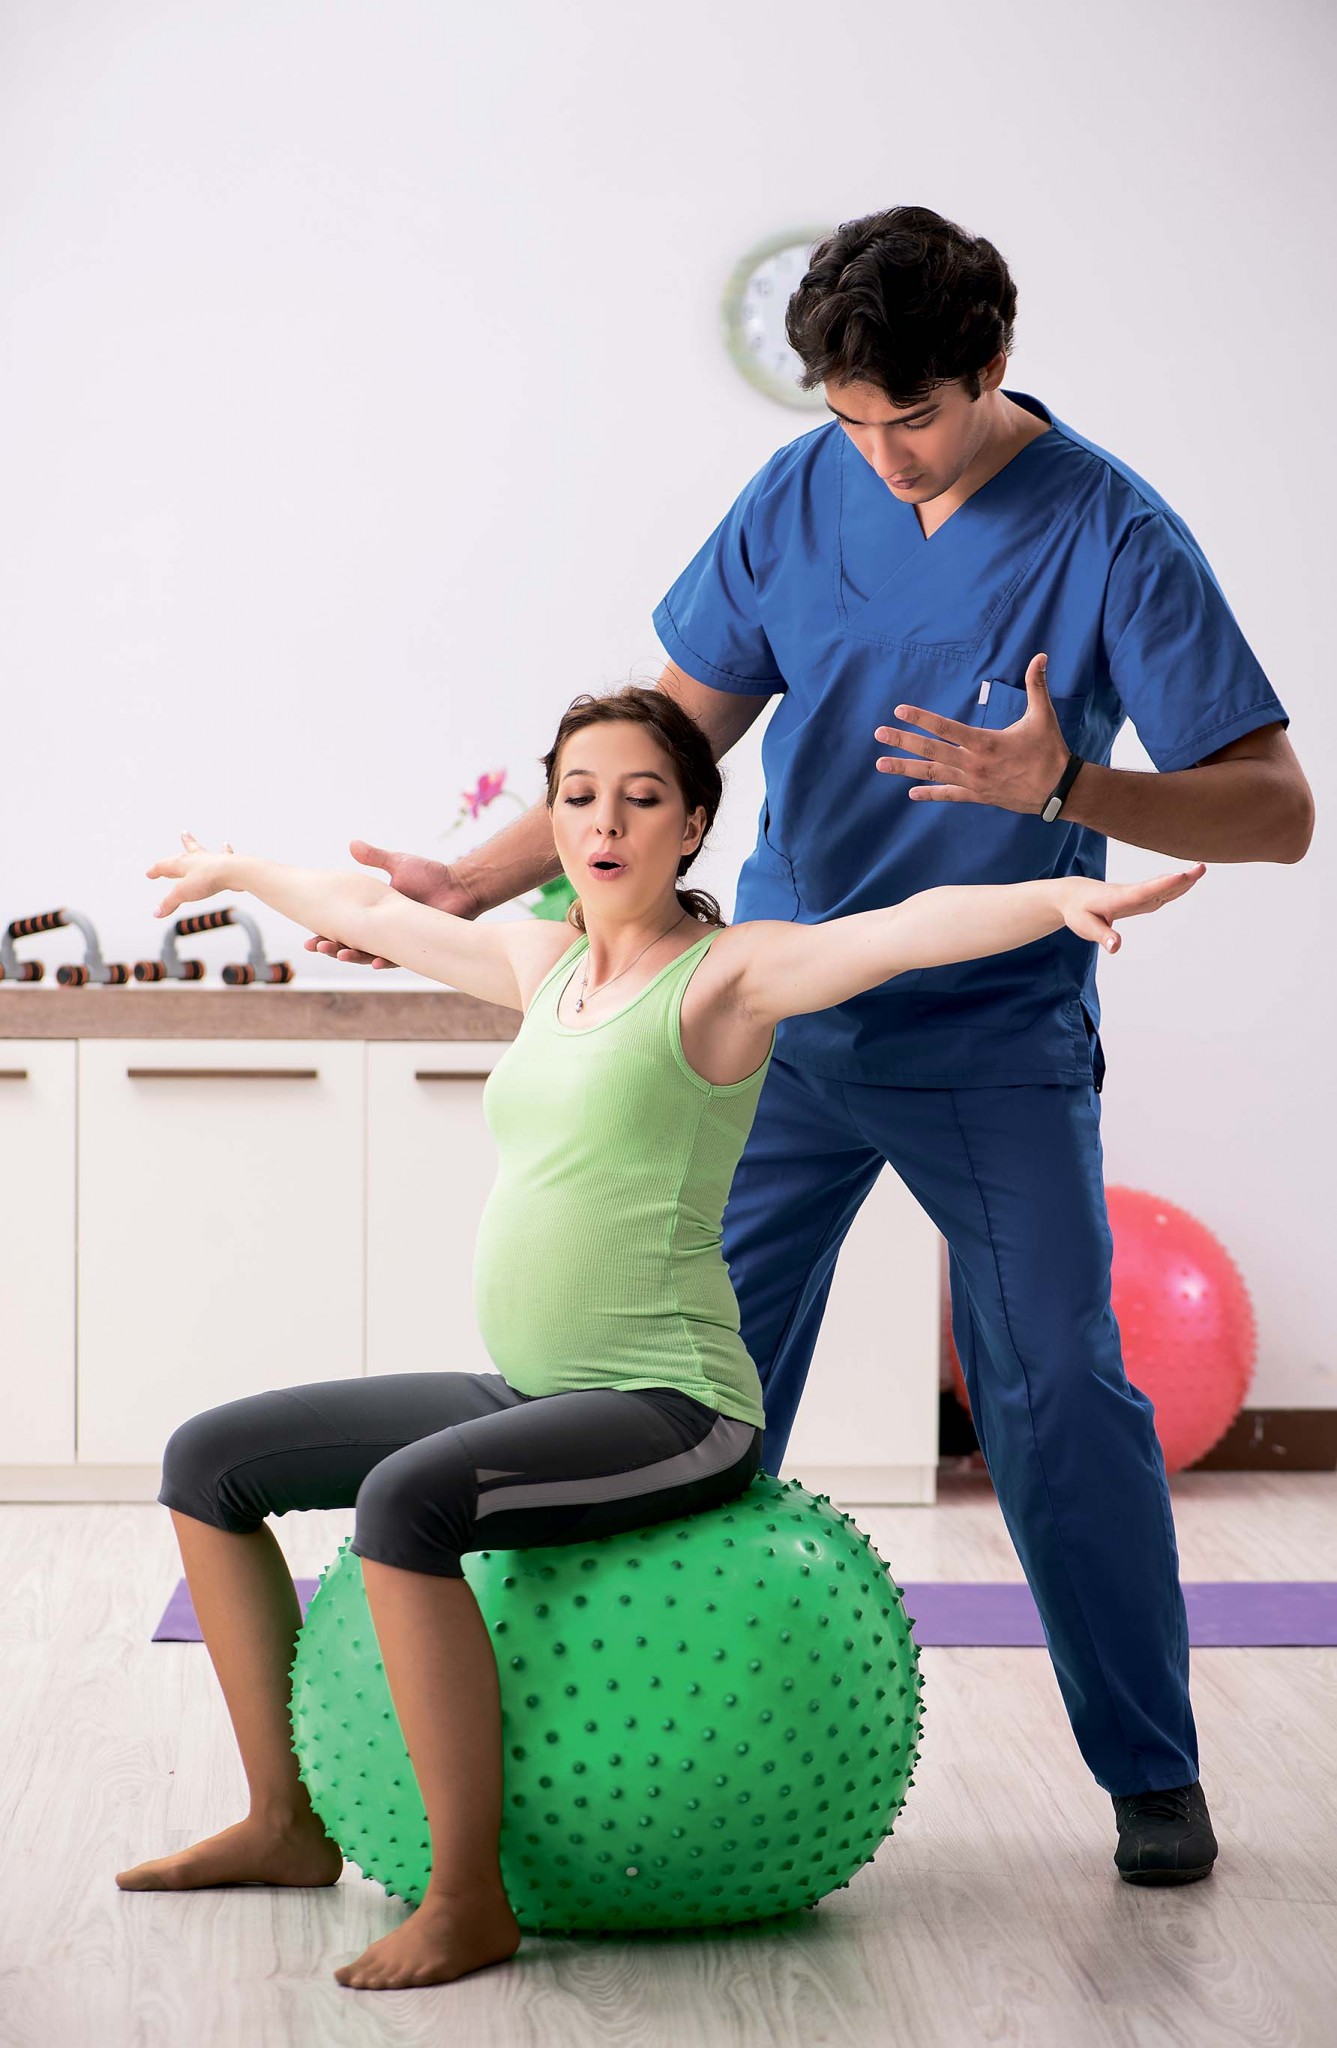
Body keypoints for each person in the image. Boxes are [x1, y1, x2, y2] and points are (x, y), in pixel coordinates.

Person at [307, 209, 1314, 1889]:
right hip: (763, 1018)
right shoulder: (798, 492)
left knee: (1053, 1391)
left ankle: (1150, 1772)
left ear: (991, 366)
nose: (883, 456)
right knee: (671, 1393)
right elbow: (668, 739)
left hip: (989, 1036)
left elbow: (1274, 811)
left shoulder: (1111, 532)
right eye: (850, 420)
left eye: (911, 417)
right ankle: (626, 1758)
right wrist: (469, 878)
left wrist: (1067, 787)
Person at [117, 687, 1199, 1991]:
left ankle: (467, 1900)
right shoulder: (545, 966)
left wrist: (1053, 899)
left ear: (690, 825)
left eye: (641, 798)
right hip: (534, 1388)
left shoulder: (726, 978)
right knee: (209, 1461)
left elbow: (897, 932)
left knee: (406, 1505)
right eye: (579, 797)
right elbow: (377, 914)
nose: (606, 823)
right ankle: (286, 1826)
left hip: (675, 1409)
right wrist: (240, 869)